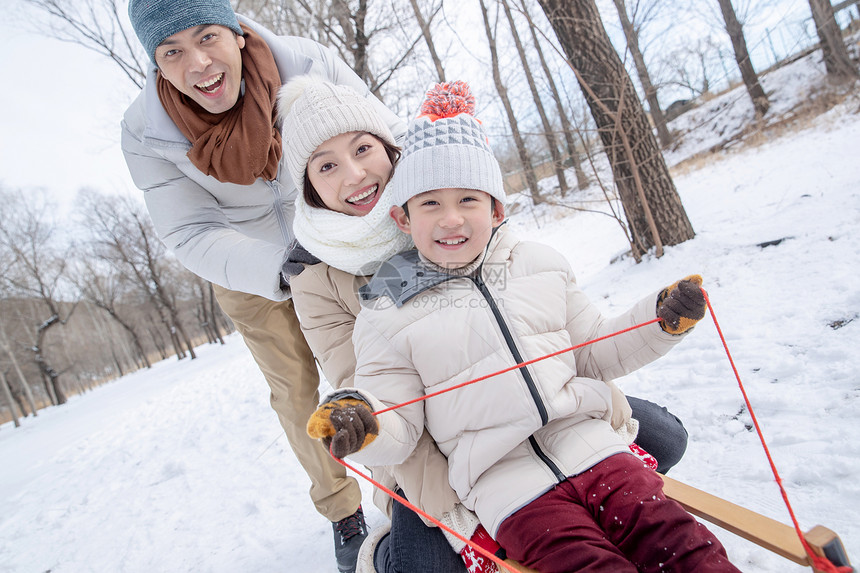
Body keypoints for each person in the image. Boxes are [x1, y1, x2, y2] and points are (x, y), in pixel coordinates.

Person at [307, 82, 741, 572]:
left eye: (468, 199)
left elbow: (597, 348)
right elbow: (399, 422)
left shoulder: (538, 264)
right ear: (402, 218)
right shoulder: (384, 313)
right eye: (429, 203)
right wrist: (366, 422)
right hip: (506, 486)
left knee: (678, 540)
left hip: (593, 446)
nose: (451, 219)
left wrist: (659, 321)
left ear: (496, 209)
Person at [120, 1, 404, 570]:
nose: (197, 63)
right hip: (248, 268)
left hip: (347, 236)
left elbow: (385, 137)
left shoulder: (307, 62)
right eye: (172, 51)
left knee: (383, 363)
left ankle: (418, 480)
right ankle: (342, 508)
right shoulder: (146, 132)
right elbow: (190, 229)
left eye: (207, 38)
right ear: (156, 63)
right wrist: (281, 266)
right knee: (299, 391)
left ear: (235, 32)